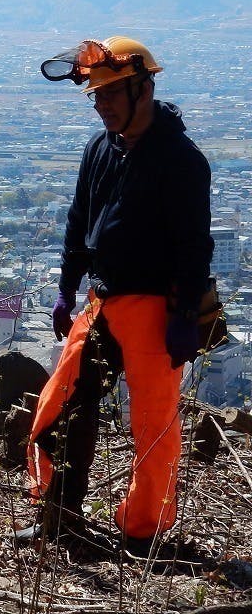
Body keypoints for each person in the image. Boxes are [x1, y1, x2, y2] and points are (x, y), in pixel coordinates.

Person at [22, 36, 212, 556]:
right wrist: (67, 287)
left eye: (111, 94)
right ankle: (58, 515)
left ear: (143, 89)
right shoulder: (101, 149)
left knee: (152, 424)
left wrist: (184, 315)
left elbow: (196, 247)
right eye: (96, 96)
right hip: (102, 299)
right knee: (60, 406)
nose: (102, 104)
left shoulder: (182, 161)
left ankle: (142, 531)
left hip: (157, 306)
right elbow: (80, 220)